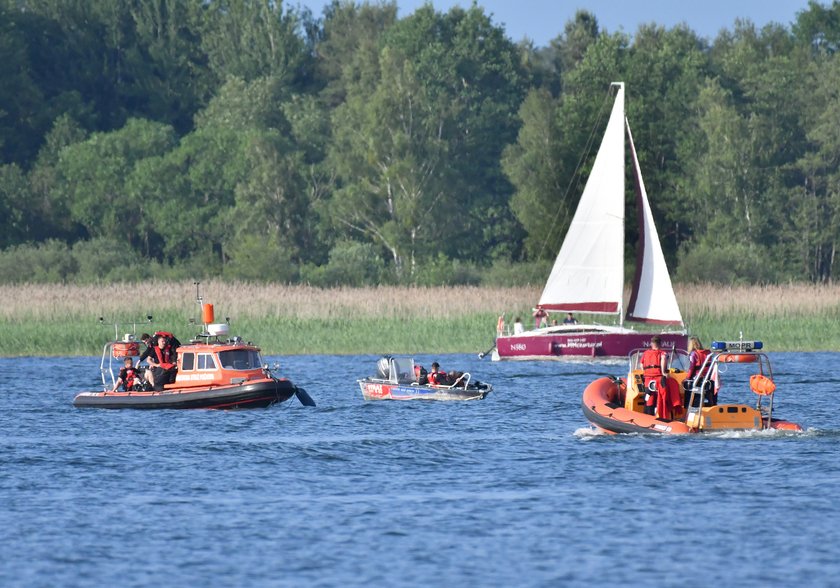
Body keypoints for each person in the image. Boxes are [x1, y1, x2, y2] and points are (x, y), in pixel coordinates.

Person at [685, 336, 714, 406]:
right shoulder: (708, 352)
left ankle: (687, 407)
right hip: (708, 378)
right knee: (709, 394)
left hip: (698, 378)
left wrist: (687, 378)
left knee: (687, 389)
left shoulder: (694, 354)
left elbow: (691, 368)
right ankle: (711, 404)